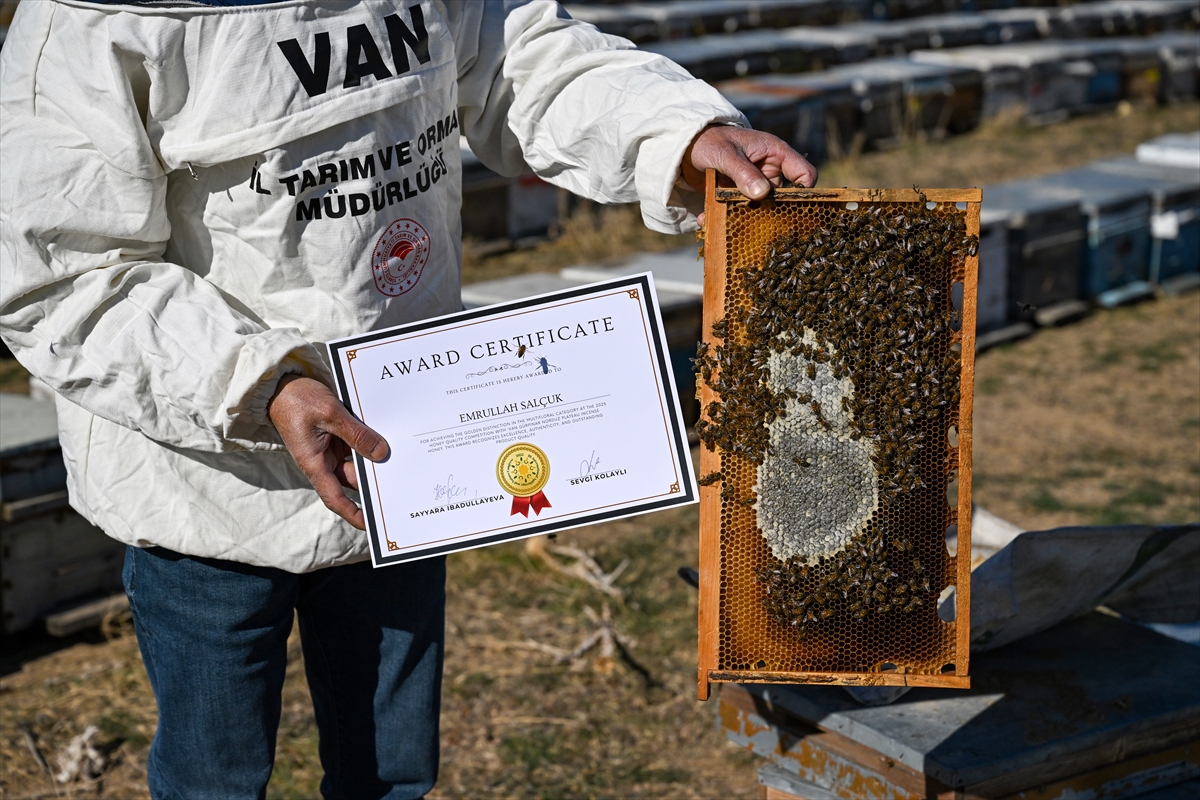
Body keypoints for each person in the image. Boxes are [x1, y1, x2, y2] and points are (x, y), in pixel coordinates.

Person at [0, 1, 816, 797]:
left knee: (389, 775)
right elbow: (58, 273)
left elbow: (514, 59)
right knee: (213, 778)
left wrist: (676, 134)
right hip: (209, 489)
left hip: (408, 460)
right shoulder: (88, 25)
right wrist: (262, 385)